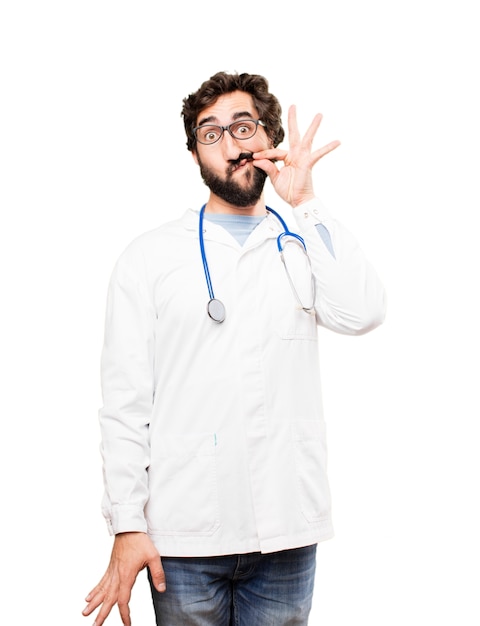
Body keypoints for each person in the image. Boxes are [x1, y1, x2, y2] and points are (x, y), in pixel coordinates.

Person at [82, 71, 386, 626]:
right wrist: (127, 524)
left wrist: (307, 204)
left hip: (287, 530)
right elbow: (124, 406)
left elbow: (363, 311)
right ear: (195, 153)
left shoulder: (299, 242)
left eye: (243, 127)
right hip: (184, 535)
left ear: (268, 136)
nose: (230, 144)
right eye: (211, 133)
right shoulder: (148, 259)